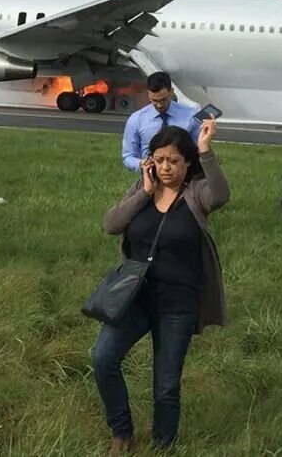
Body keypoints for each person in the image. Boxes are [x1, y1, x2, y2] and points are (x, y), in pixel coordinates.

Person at [93, 119, 226, 453]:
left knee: (166, 384)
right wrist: (145, 193)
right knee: (103, 358)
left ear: (187, 163)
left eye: (174, 161)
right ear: (151, 160)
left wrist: (207, 150)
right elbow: (111, 224)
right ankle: (122, 433)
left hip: (177, 304)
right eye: (160, 159)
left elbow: (221, 194)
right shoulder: (143, 188)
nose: (166, 167)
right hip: (133, 297)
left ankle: (163, 445)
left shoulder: (196, 194)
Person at [121, 72, 200, 172]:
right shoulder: (136, 119)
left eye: (163, 99)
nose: (159, 105)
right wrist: (142, 164)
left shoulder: (190, 115)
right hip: (150, 176)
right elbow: (128, 157)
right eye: (154, 100)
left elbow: (198, 151)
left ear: (171, 92)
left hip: (183, 176)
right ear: (148, 94)